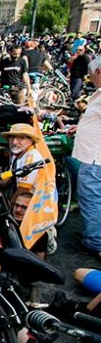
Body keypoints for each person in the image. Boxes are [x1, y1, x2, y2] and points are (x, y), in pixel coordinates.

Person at [73, 56, 101, 258]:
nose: (89, 78)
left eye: (90, 75)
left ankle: (94, 241)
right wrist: (79, 126)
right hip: (92, 156)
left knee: (91, 198)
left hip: (94, 157)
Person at [0, 191, 57, 260]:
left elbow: (40, 259)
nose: (18, 210)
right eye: (17, 205)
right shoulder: (2, 220)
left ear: (32, 210)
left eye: (24, 207)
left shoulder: (38, 232)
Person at [0, 123, 44, 192]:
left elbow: (23, 189)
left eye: (21, 138)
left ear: (31, 141)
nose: (14, 142)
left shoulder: (32, 157)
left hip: (34, 199)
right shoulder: (16, 156)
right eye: (12, 137)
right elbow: (11, 173)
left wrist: (12, 202)